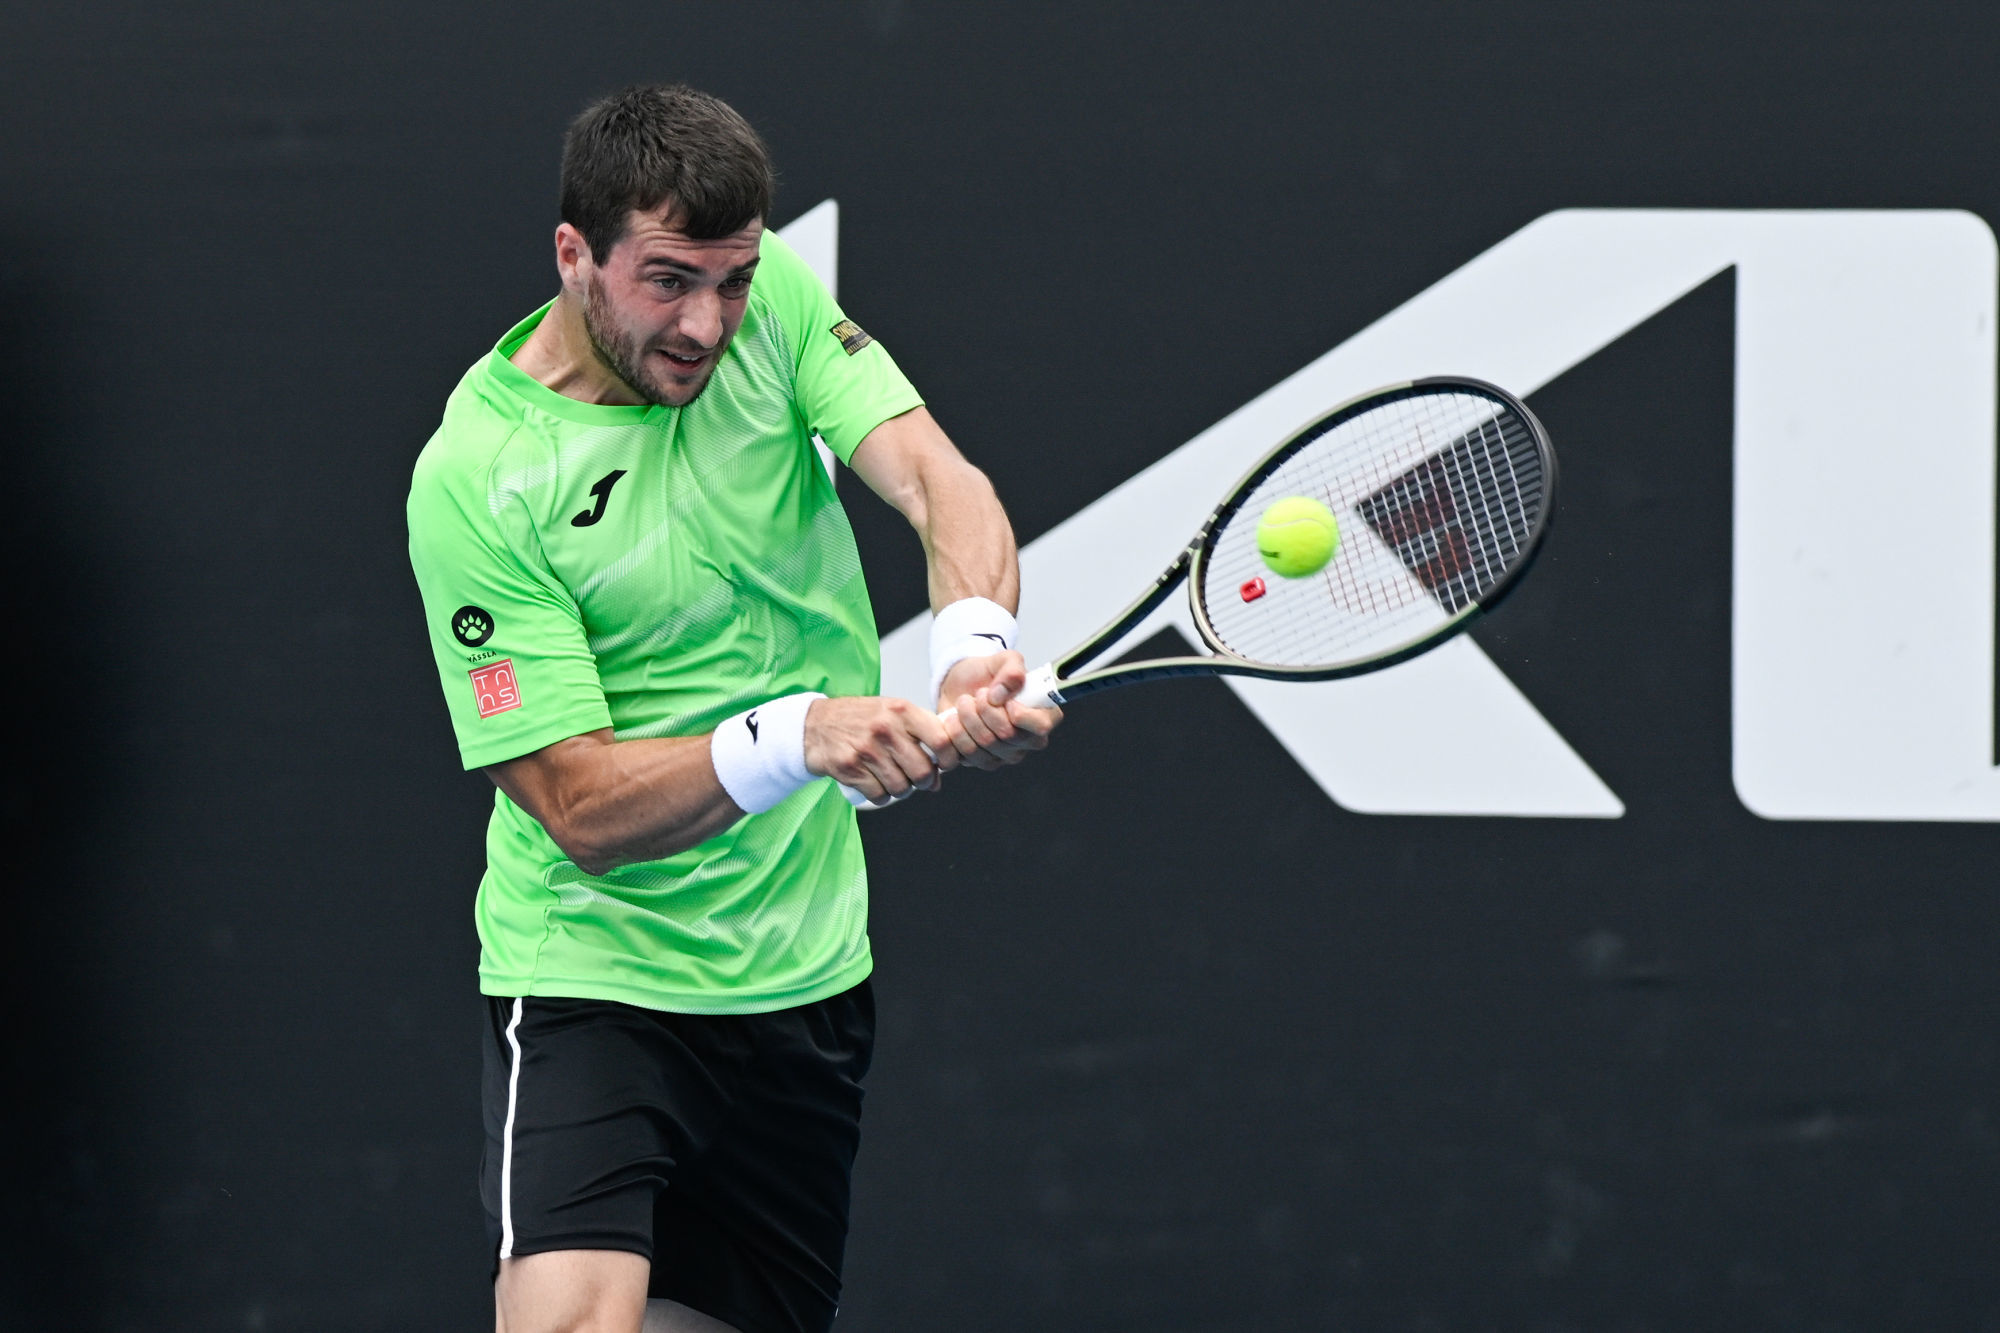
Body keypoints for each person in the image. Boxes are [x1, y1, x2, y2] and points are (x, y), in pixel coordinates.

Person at [406, 84, 1060, 1333]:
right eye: (667, 281)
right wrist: (791, 735)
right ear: (574, 255)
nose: (706, 324)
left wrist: (976, 646)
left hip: (803, 971)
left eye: (734, 281)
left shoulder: (779, 312)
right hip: (595, 970)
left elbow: (936, 479)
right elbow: (576, 808)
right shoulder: (479, 478)